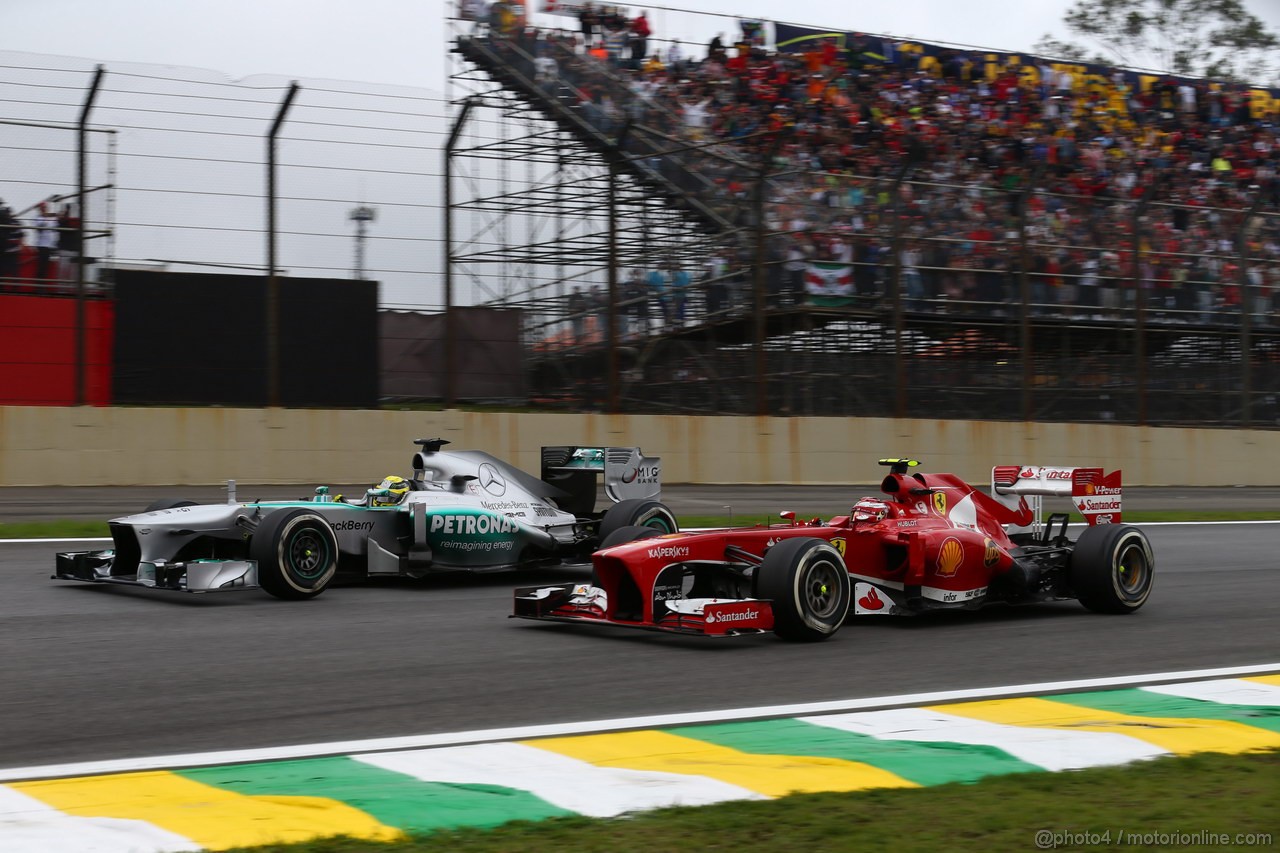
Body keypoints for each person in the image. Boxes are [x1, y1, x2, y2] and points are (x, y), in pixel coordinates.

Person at [32, 202, 59, 283]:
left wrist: (55, 216)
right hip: (42, 245)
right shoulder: (38, 218)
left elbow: (56, 227)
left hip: (50, 245)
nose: (44, 209)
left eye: (45, 208)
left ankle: (43, 284)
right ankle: (39, 285)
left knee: (46, 266)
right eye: (42, 208)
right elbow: (39, 228)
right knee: (42, 265)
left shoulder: (51, 219)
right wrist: (46, 217)